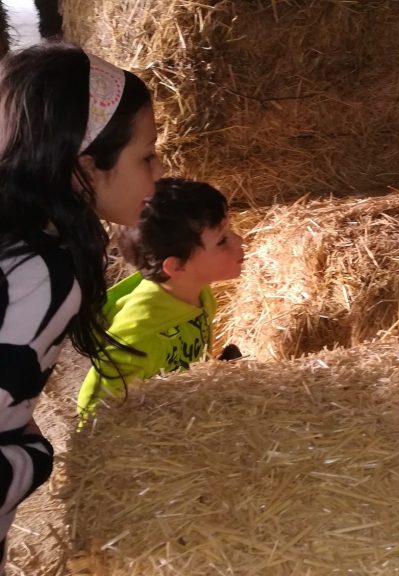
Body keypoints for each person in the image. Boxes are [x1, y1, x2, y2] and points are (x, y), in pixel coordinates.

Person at [0, 43, 163, 569]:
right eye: (147, 155)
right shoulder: (41, 277)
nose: (159, 173)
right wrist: (33, 457)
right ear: (85, 167)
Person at [76, 178, 244, 422]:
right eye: (222, 240)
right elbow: (94, 407)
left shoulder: (200, 294)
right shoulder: (139, 332)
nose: (240, 240)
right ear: (175, 265)